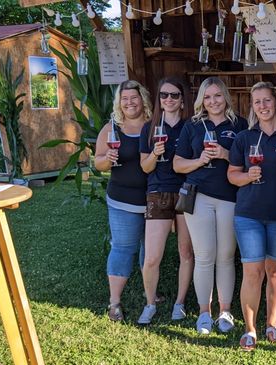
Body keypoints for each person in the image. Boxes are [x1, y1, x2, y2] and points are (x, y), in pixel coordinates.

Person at [173, 77, 247, 335]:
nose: (213, 101)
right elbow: (177, 164)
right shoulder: (192, 126)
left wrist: (226, 155)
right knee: (204, 256)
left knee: (226, 256)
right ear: (201, 101)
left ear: (225, 97)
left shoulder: (240, 124)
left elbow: (248, 162)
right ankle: (204, 312)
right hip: (199, 196)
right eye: (207, 97)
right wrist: (200, 160)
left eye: (217, 96)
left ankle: (224, 310)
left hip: (230, 196)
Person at [227, 81, 276, 351]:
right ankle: (250, 329)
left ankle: (272, 323)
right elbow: (232, 175)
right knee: (252, 272)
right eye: (257, 102)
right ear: (252, 107)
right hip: (249, 215)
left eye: (267, 100)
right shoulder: (245, 137)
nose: (263, 106)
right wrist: (246, 176)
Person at [94, 80, 153, 321]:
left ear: (143, 100)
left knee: (150, 251)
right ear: (119, 102)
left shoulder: (153, 126)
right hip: (123, 201)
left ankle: (150, 292)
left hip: (153, 199)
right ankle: (114, 302)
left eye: (134, 98)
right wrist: (107, 158)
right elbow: (98, 164)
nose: (129, 103)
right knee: (123, 248)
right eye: (125, 98)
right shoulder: (111, 128)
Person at [136, 77, 194, 325]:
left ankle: (179, 303)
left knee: (186, 252)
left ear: (182, 101)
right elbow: (145, 167)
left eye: (173, 95)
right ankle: (150, 303)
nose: (168, 99)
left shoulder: (191, 127)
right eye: (163, 95)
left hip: (185, 192)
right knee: (152, 257)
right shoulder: (149, 128)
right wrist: (155, 154)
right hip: (158, 192)